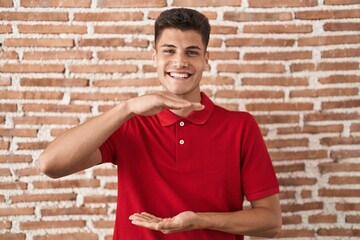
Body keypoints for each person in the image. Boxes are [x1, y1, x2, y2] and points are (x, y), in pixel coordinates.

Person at [38, 8, 282, 240]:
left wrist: (199, 220)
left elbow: (270, 222)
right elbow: (51, 165)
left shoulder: (240, 126)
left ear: (206, 59)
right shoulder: (128, 124)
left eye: (192, 52)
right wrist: (127, 107)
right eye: (169, 50)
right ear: (154, 56)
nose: (180, 62)